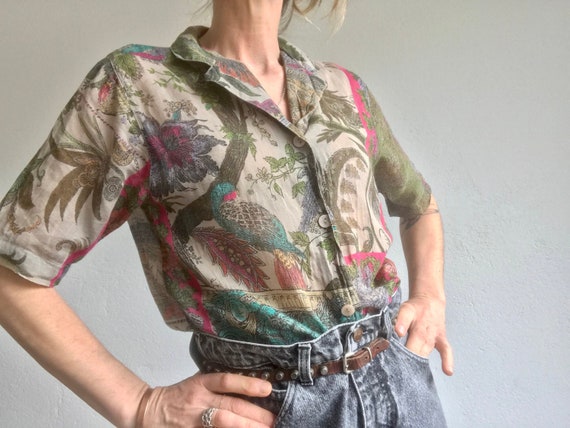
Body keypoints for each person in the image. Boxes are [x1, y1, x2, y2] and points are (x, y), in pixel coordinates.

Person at [0, 0, 453, 426]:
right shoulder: (139, 86)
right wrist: (139, 405)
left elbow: (419, 205)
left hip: (402, 384)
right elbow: (11, 262)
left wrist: (431, 296)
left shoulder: (345, 91)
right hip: (270, 405)